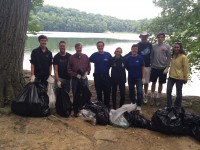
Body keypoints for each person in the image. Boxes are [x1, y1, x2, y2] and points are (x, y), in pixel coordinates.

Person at [68, 42, 91, 116]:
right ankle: (76, 110)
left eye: (80, 48)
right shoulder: (71, 57)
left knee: (86, 93)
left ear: (82, 48)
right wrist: (76, 75)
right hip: (75, 79)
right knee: (76, 94)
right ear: (75, 49)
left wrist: (86, 73)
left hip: (84, 79)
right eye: (77, 48)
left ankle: (85, 109)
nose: (79, 49)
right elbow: (69, 69)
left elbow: (89, 67)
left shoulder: (86, 57)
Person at [149, 33, 171, 106]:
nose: (160, 38)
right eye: (159, 37)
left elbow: (168, 57)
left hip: (163, 68)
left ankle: (158, 97)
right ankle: (152, 96)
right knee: (153, 82)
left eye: (162, 37)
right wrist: (151, 65)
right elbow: (151, 56)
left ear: (164, 38)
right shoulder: (153, 46)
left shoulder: (167, 46)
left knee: (160, 83)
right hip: (154, 67)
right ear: (157, 38)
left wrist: (167, 67)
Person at [166, 42, 189, 109]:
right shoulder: (172, 55)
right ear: (173, 48)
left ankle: (177, 106)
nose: (176, 48)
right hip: (171, 76)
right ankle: (169, 105)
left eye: (177, 47)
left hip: (180, 77)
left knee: (178, 93)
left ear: (180, 48)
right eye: (175, 47)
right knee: (168, 91)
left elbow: (186, 68)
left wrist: (186, 78)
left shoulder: (183, 57)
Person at [89, 41, 112, 109]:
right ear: (97, 47)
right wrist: (88, 70)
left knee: (107, 92)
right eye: (98, 46)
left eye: (101, 46)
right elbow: (87, 61)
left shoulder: (108, 55)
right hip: (97, 76)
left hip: (106, 76)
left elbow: (113, 63)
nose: (100, 47)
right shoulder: (94, 55)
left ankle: (107, 106)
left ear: (103, 46)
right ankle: (100, 106)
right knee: (99, 92)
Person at [125, 44, 144, 113]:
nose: (134, 50)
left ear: (137, 50)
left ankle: (139, 105)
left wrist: (143, 77)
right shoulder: (128, 58)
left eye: (136, 49)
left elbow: (142, 67)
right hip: (131, 77)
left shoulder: (140, 58)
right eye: (133, 49)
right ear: (131, 50)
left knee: (139, 92)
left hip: (139, 77)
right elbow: (126, 67)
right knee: (131, 91)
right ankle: (133, 103)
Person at [137, 32, 152, 104]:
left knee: (146, 82)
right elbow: (132, 53)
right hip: (139, 66)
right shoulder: (138, 45)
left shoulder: (150, 45)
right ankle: (139, 94)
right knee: (139, 81)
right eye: (142, 36)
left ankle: (145, 94)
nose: (144, 38)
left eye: (145, 36)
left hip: (148, 65)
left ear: (147, 37)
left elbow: (153, 54)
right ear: (140, 37)